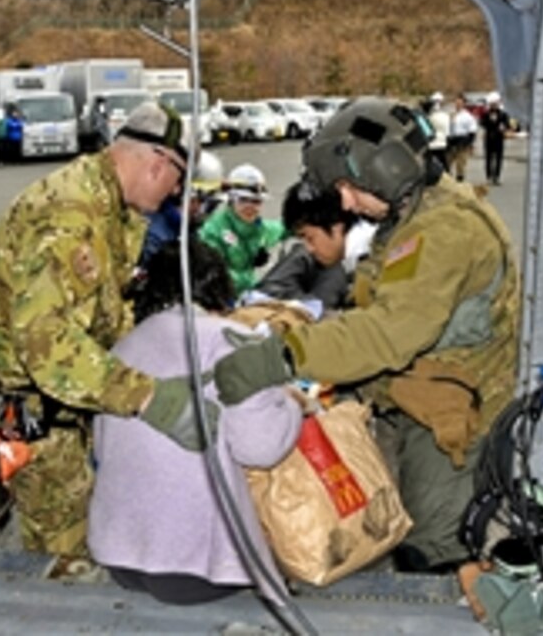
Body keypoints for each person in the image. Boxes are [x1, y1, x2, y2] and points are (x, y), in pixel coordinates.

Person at [211, 97, 521, 572]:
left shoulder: (443, 232)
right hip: (423, 395)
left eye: (350, 189)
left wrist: (283, 355)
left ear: (389, 171)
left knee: (433, 554)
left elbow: (387, 333)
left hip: (455, 417)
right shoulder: (416, 215)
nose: (347, 203)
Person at [0, 101, 222, 558]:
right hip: (39, 422)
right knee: (67, 559)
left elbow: (105, 315)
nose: (175, 192)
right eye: (177, 179)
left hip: (67, 410)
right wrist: (148, 396)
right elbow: (49, 347)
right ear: (157, 163)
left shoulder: (108, 208)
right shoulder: (71, 214)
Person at [88, 239, 301, 605]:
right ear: (218, 285)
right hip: (201, 568)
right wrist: (293, 405)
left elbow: (102, 448)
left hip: (118, 555)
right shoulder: (234, 342)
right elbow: (262, 449)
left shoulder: (118, 352)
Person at [253, 181, 359, 311]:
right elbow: (267, 291)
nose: (309, 248)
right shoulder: (315, 257)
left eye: (310, 238)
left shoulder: (373, 260)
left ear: (337, 228)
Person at [198, 163, 285, 297]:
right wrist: (250, 282)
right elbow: (217, 277)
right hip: (219, 301)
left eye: (256, 201)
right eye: (243, 200)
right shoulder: (213, 231)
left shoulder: (259, 229)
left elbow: (285, 228)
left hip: (247, 297)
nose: (250, 207)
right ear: (231, 200)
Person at [139, 150, 225, 266]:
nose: (204, 213)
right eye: (206, 204)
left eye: (212, 206)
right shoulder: (155, 238)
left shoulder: (183, 227)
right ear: (182, 196)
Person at [480, 90, 511, 185]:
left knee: (498, 158)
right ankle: (489, 176)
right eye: (492, 104)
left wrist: (504, 127)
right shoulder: (486, 114)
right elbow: (482, 123)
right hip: (489, 138)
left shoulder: (503, 114)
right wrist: (488, 123)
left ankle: (496, 177)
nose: (493, 105)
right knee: (488, 158)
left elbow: (507, 124)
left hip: (499, 138)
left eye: (495, 103)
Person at [448, 94, 478, 183]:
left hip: (463, 141)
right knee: (447, 163)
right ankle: (449, 182)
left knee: (460, 165)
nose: (457, 104)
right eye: (456, 102)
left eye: (460, 103)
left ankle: (459, 182)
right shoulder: (451, 114)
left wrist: (469, 143)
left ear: (464, 104)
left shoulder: (468, 116)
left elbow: (472, 131)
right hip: (451, 141)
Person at [426, 91, 451, 174]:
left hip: (431, 144)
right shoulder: (446, 116)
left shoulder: (428, 117)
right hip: (442, 143)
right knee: (444, 165)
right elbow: (447, 132)